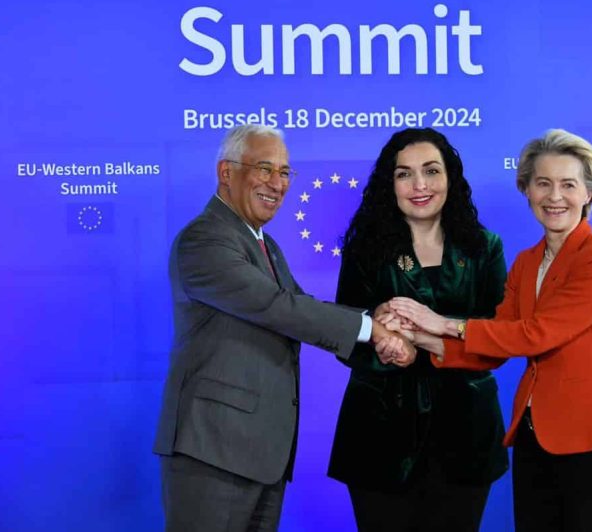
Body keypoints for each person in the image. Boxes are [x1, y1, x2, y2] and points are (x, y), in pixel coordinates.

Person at [153, 124, 414, 532]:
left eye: (285, 172)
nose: (277, 184)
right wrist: (372, 330)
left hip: (259, 455)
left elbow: (300, 306)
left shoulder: (264, 243)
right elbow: (278, 308)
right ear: (226, 172)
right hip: (213, 451)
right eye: (264, 169)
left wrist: (373, 318)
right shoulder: (204, 240)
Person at [388, 129, 592, 531]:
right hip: (533, 436)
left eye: (568, 185)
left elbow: (536, 334)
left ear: (590, 193)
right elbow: (499, 339)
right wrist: (423, 338)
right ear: (526, 189)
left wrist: (444, 322)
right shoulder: (526, 261)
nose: (554, 196)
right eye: (543, 183)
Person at [327, 128, 509, 531]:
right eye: (404, 174)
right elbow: (346, 332)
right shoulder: (366, 249)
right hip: (379, 433)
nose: (419, 185)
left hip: (466, 433)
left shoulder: (484, 247)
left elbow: (499, 337)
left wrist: (424, 334)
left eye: (431, 171)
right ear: (389, 184)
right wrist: (387, 343)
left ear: (450, 178)